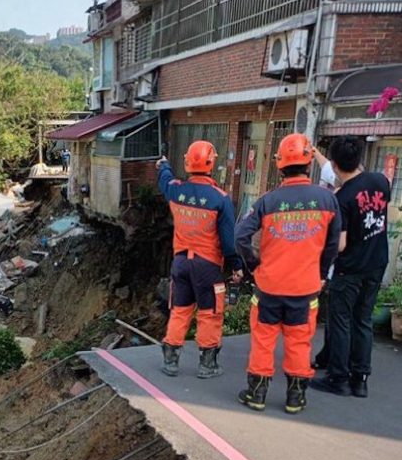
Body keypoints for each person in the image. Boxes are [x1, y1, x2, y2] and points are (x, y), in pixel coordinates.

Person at [234, 133, 341, 414]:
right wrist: (320, 274)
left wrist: (254, 266)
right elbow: (332, 246)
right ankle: (295, 398)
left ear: (280, 164)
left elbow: (240, 237)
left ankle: (257, 394)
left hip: (269, 287)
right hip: (305, 289)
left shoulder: (268, 201)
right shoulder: (328, 200)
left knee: (263, 340)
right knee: (299, 341)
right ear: (309, 163)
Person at [311, 136, 391, 398]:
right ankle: (360, 380)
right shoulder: (380, 181)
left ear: (334, 166)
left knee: (341, 321)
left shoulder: (341, 198)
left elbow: (341, 245)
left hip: (350, 269)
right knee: (363, 320)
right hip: (377, 262)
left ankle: (338, 378)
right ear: (360, 159)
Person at [156, 141, 242, 379]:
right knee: (209, 313)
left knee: (180, 310)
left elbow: (165, 179)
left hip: (181, 262)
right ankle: (207, 364)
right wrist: (235, 266)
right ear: (212, 163)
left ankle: (171, 359)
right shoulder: (221, 199)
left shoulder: (176, 190)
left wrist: (163, 165)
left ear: (187, 162)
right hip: (208, 266)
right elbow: (227, 240)